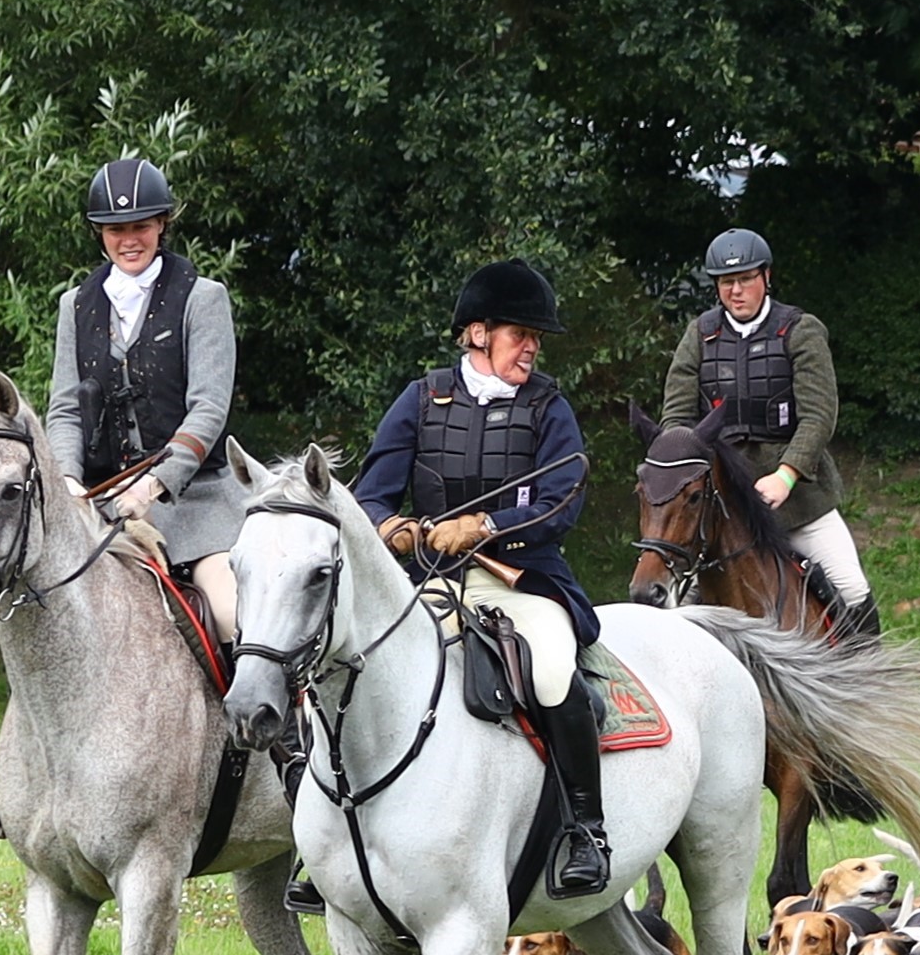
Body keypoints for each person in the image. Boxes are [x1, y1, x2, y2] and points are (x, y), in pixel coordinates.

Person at [0, 156, 240, 836]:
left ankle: (282, 754)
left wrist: (156, 483)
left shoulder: (203, 298)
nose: (128, 238)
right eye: (115, 228)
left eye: (140, 225)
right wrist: (69, 481)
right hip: (100, 509)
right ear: (100, 234)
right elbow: (67, 408)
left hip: (194, 506)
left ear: (162, 225)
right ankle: (14, 783)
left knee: (230, 614)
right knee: (41, 619)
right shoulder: (76, 306)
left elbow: (209, 407)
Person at [346, 259, 613, 899]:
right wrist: (393, 530)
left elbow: (560, 502)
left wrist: (486, 525)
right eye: (520, 334)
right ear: (477, 333)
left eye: (535, 337)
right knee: (357, 664)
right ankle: (334, 833)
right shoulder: (421, 399)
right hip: (430, 580)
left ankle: (585, 829)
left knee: (553, 672)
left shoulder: (548, 407)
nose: (532, 347)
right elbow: (371, 495)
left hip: (521, 579)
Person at [660, 229, 873, 636]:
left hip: (796, 499)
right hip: (721, 505)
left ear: (766, 276)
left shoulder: (801, 330)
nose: (736, 291)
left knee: (851, 587)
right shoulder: (699, 335)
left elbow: (819, 415)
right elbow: (676, 421)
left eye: (745, 279)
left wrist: (786, 475)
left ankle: (868, 672)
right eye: (726, 282)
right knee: (669, 602)